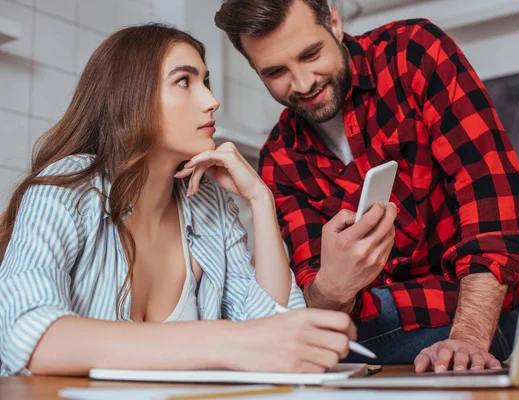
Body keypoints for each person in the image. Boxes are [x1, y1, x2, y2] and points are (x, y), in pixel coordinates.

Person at [0, 23, 356, 377]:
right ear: (131, 96)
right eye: (184, 82)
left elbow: (278, 329)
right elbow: (27, 335)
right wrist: (229, 342)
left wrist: (260, 199)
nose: (211, 101)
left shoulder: (208, 202)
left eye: (206, 82)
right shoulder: (68, 187)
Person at [215, 0, 519, 373]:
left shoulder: (414, 52)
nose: (303, 84)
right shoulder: (279, 160)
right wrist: (331, 289)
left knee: (269, 350)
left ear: (333, 22)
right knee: (281, 341)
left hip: (480, 310)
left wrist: (471, 337)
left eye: (311, 54)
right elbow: (317, 307)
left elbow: (489, 188)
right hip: (381, 324)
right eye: (275, 72)